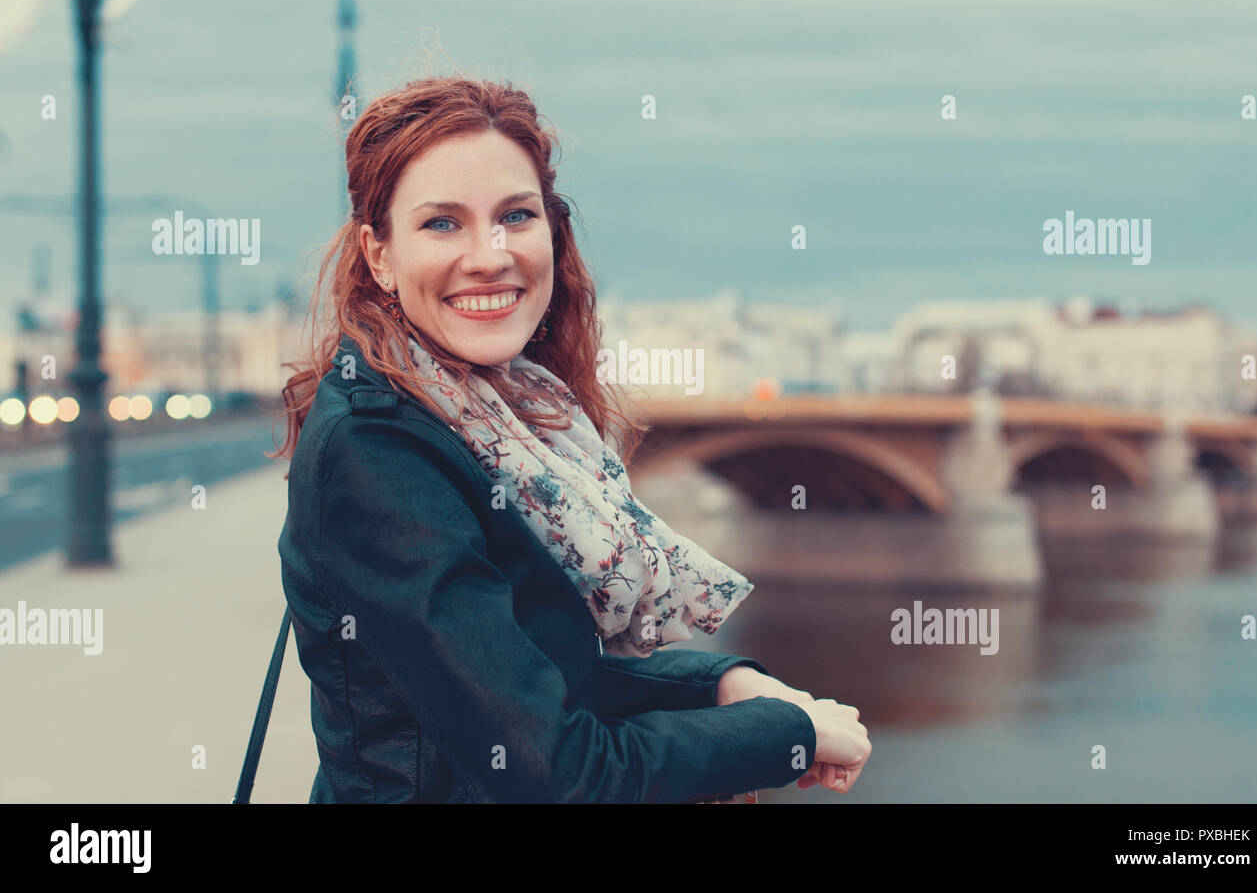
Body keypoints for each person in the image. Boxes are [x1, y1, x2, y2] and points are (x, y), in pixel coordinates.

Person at [274, 75, 870, 803]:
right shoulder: (379, 453)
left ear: (552, 233)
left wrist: (723, 684)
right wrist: (785, 737)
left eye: (515, 216)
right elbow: (559, 773)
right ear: (379, 255)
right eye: (441, 223)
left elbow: (523, 671)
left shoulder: (497, 414)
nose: (489, 255)